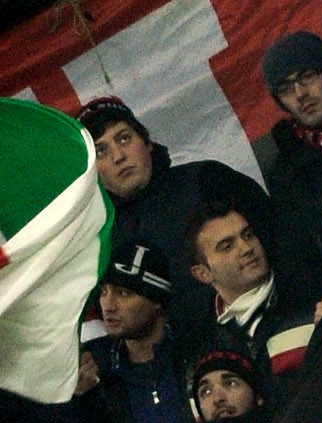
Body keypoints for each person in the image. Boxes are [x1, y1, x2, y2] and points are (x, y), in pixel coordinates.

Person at [73, 96, 263, 293]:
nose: (118, 156)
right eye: (101, 151)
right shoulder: (99, 241)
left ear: (147, 142)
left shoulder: (206, 179)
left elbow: (275, 238)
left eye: (124, 138)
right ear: (92, 170)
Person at [259, 31, 322, 297]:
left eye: (307, 76)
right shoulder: (285, 174)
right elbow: (302, 266)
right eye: (285, 88)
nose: (300, 93)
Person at [87, 241, 196, 423]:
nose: (108, 305)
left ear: (157, 299)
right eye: (104, 292)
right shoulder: (98, 375)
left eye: (123, 293)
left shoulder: (196, 352)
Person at [187, 198, 316, 382]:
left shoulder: (310, 291)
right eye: (227, 247)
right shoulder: (203, 346)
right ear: (203, 273)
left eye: (248, 235)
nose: (246, 248)